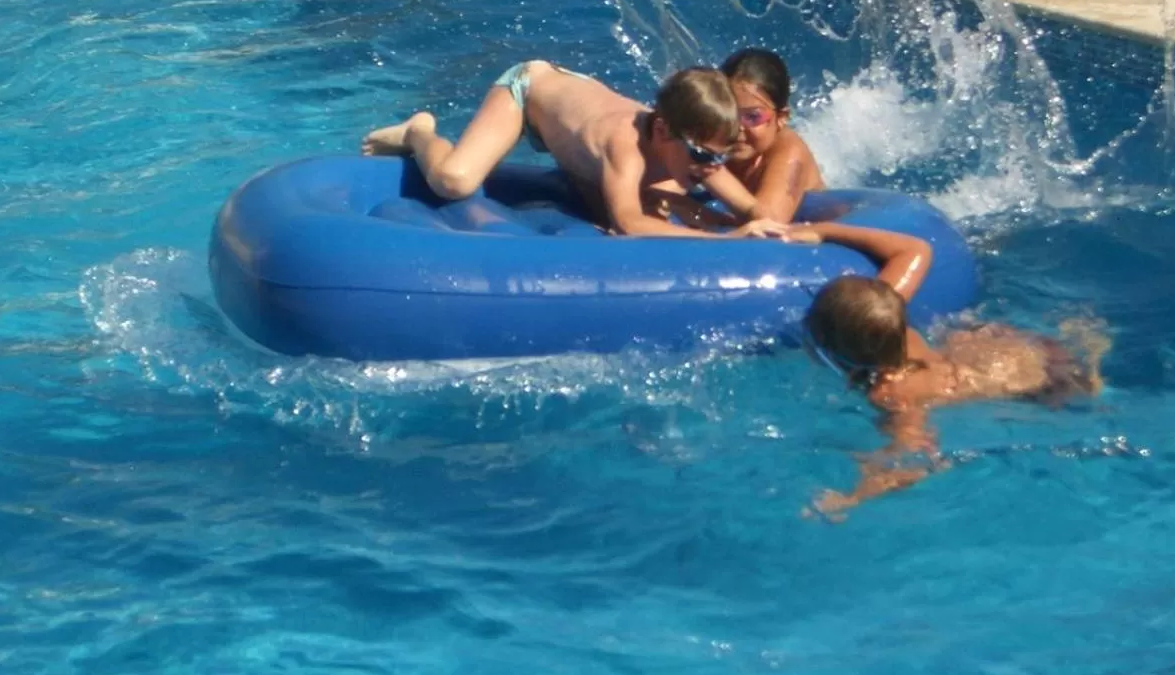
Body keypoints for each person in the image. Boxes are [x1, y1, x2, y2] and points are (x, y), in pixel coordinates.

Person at [777, 219, 1107, 520]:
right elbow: (915, 249)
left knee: (1080, 392)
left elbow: (912, 460)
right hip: (1006, 347)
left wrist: (852, 498)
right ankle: (1083, 341)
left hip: (1026, 378)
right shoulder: (889, 318)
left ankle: (1092, 358)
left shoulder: (891, 392)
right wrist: (824, 230)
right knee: (965, 333)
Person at [362, 61, 784, 238]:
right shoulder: (627, 146)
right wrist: (729, 241)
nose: (710, 166)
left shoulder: (694, 149)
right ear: (661, 131)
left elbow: (753, 210)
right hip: (530, 91)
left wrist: (768, 225)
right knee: (454, 181)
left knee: (660, 205)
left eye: (718, 156)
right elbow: (629, 223)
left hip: (580, 138)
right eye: (702, 155)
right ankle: (419, 131)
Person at [701, 48, 825, 224]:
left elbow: (770, 223)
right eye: (728, 115)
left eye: (752, 116)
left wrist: (704, 170)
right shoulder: (722, 147)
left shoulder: (790, 150)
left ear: (781, 118)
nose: (737, 128)